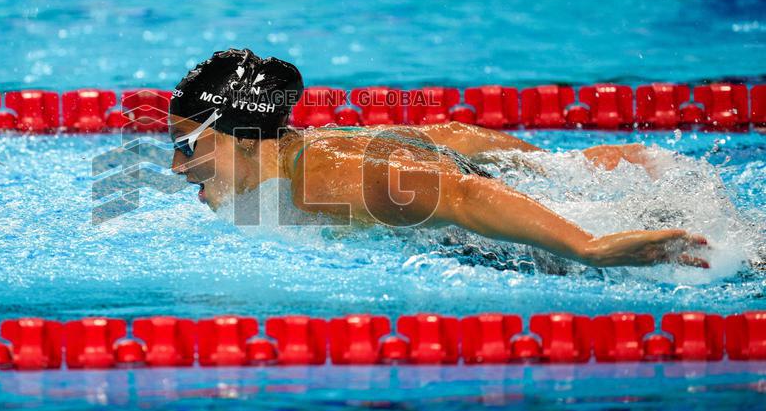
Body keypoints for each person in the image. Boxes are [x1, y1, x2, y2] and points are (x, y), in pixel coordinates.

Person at [168, 48, 710, 268]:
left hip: (554, 232)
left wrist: (589, 246)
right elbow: (452, 136)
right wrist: (558, 166)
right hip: (547, 198)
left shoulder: (322, 177)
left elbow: (461, 192)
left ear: (240, 135)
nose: (175, 167)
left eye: (185, 145)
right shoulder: (312, 149)